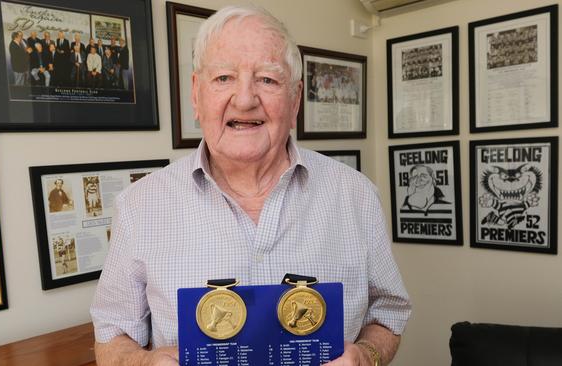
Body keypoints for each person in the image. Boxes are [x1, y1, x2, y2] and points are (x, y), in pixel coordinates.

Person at [91, 5, 410, 366]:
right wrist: (144, 363)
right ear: (197, 94)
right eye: (224, 78)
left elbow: (389, 313)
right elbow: (112, 335)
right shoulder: (139, 206)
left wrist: (367, 356)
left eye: (268, 80)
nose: (244, 99)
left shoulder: (357, 195)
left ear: (295, 100)